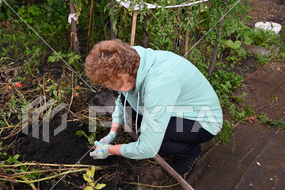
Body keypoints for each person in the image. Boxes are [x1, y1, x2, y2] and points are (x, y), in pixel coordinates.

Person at [84, 39, 223, 178]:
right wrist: (112, 133)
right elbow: (122, 99)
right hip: (171, 105)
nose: (112, 89)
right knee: (139, 123)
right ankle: (164, 137)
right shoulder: (128, 59)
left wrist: (109, 150)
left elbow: (147, 149)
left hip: (202, 121)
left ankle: (190, 152)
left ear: (127, 76)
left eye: (114, 86)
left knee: (152, 136)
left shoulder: (158, 84)